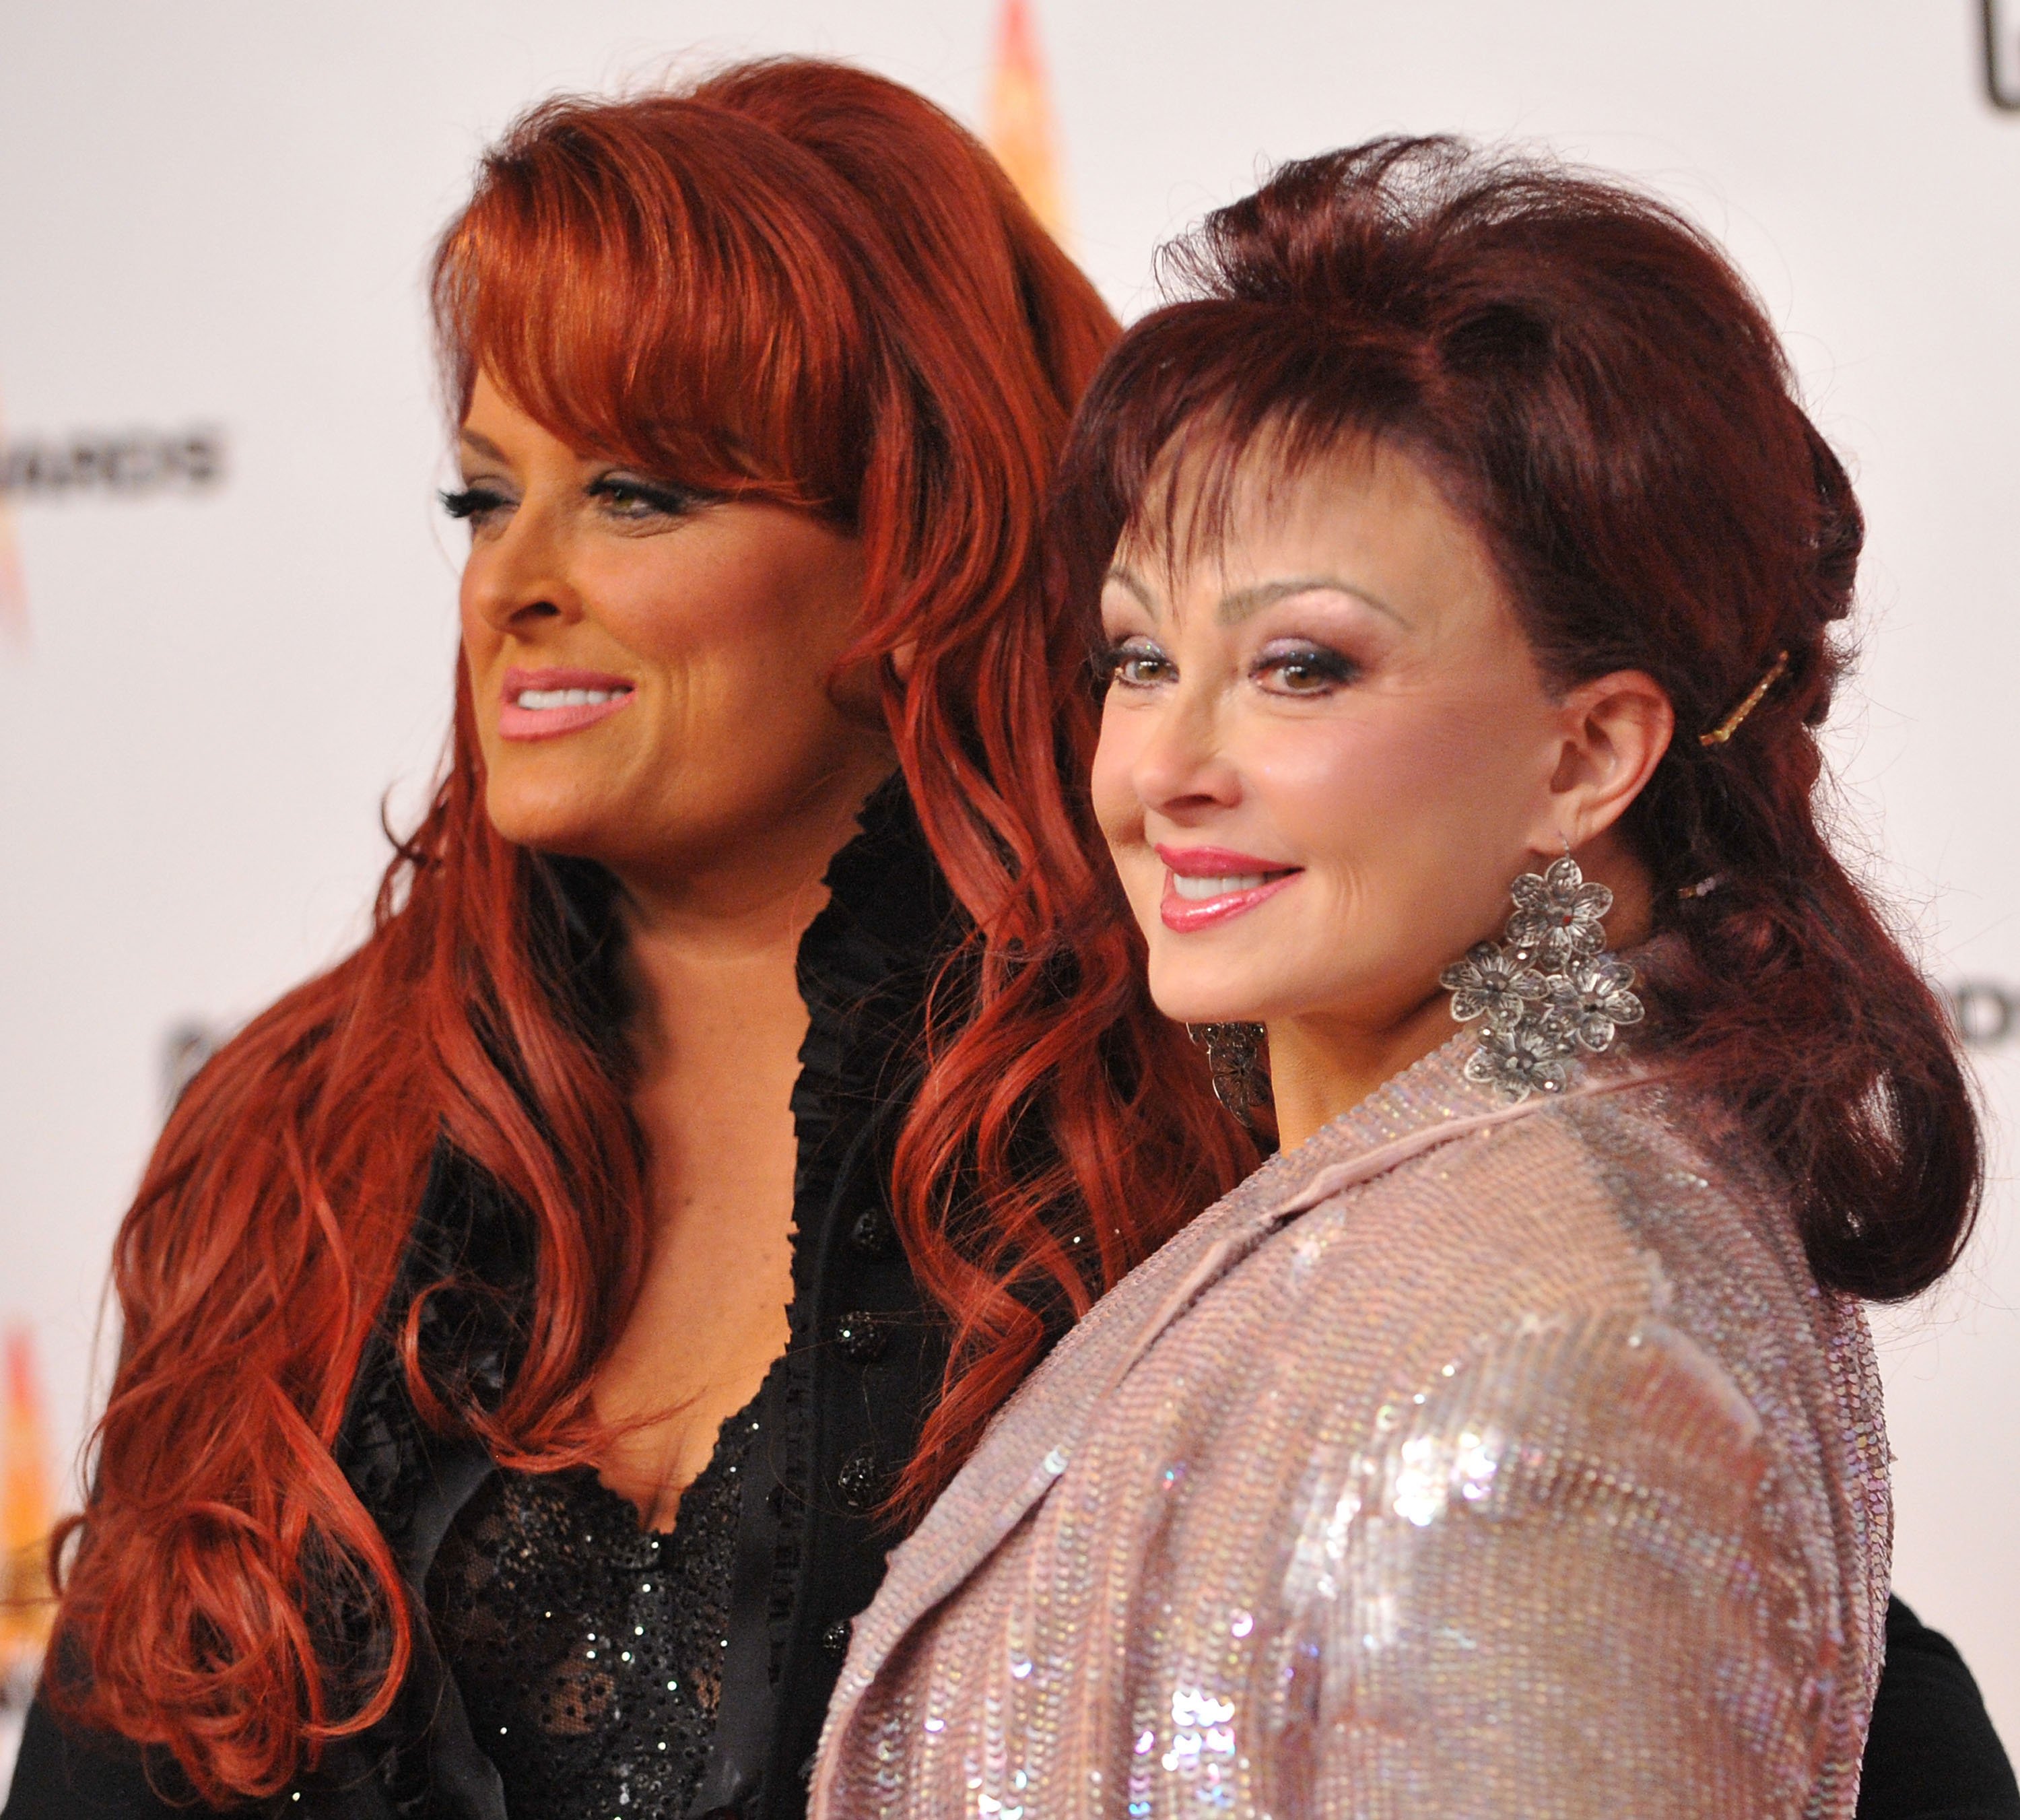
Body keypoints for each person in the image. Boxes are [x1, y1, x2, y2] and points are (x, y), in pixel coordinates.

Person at [1, 61, 1251, 1820]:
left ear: (923, 542)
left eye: (638, 493)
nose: (515, 578)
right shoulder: (297, 1138)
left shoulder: (1201, 1118)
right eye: (484, 495)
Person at [811, 137, 2011, 1819]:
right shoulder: (1450, 1209)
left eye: (1303, 666)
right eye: (1144, 656)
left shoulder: (1552, 1359)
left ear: (1586, 755)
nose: (1165, 764)